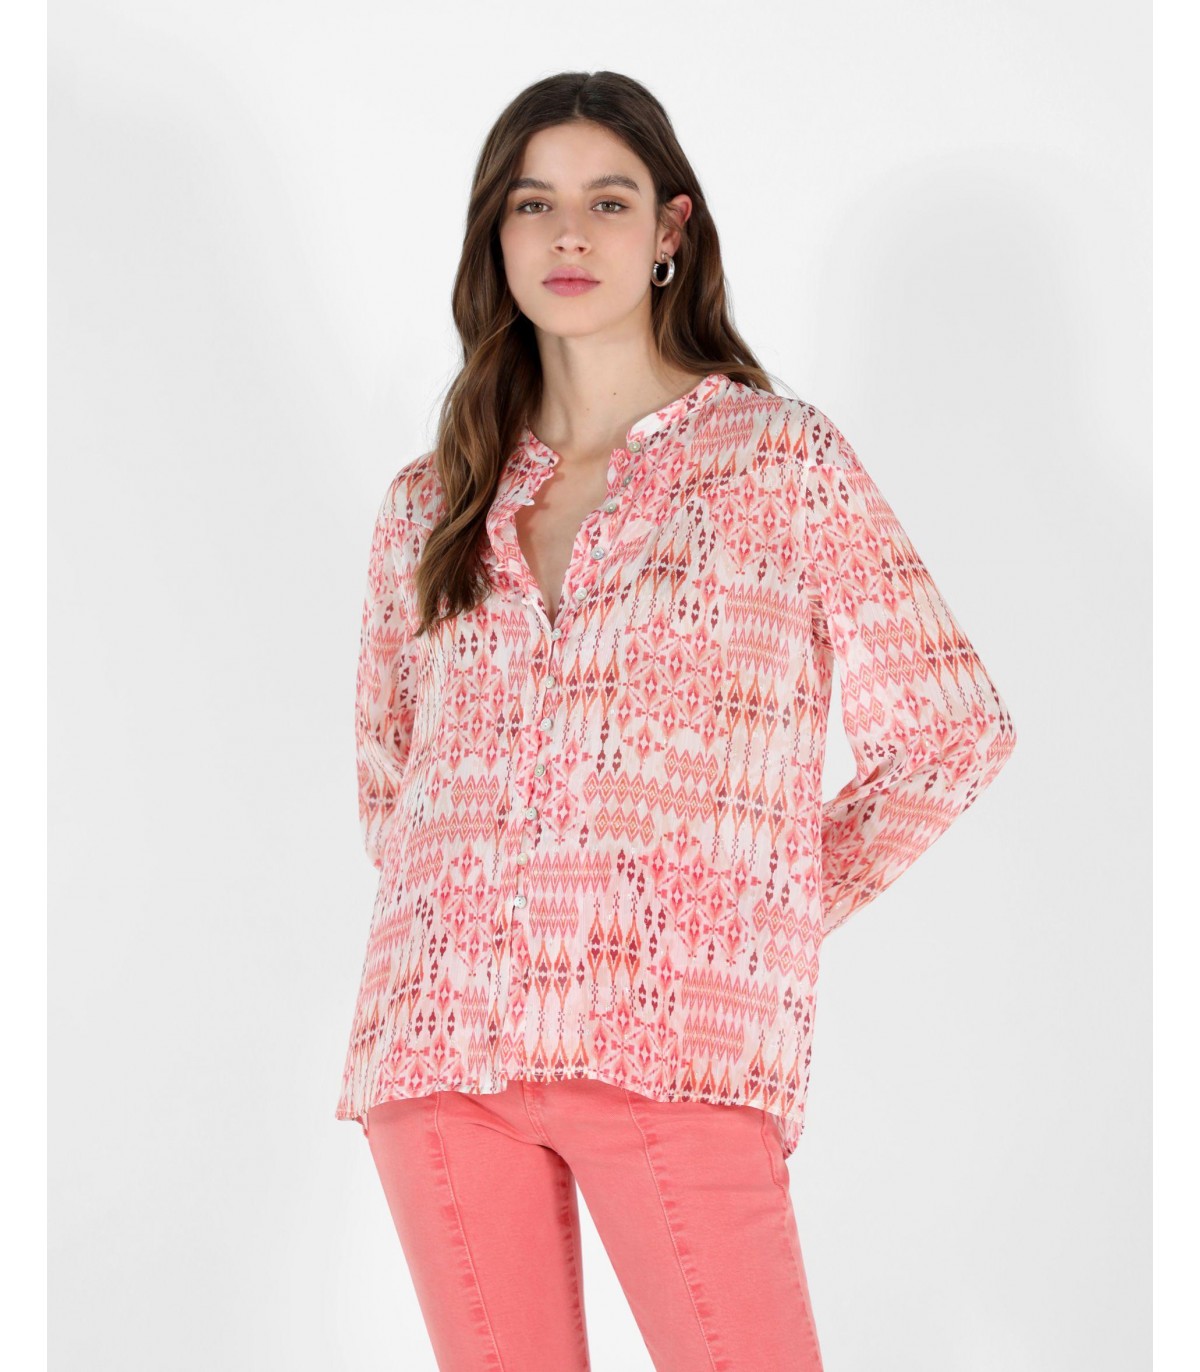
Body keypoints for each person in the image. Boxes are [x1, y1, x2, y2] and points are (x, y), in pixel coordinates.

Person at [335, 70, 1017, 1372]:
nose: (569, 233)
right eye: (533, 204)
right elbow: (391, 780)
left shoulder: (777, 459)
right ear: (496, 237)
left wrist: (749, 909)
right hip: (437, 1043)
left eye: (608, 201)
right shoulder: (430, 500)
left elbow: (952, 728)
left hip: (674, 1041)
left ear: (669, 231)